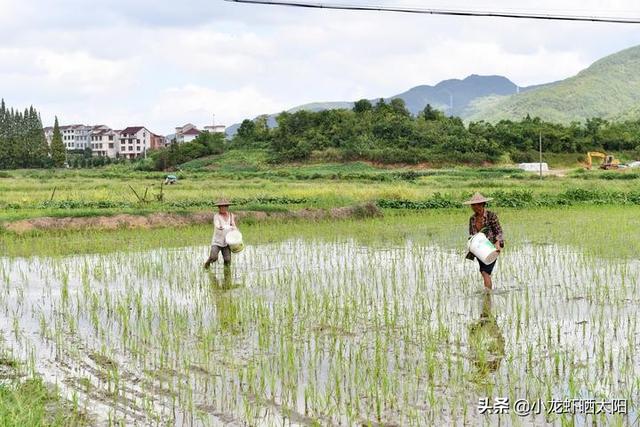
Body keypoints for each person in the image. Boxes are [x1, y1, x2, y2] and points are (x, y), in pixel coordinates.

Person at [464, 192, 504, 290]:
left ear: (482, 204)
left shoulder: (491, 216)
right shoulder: (472, 219)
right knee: (483, 271)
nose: (474, 207)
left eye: (476, 205)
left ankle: (488, 295)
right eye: (472, 205)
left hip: (491, 247)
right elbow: (472, 235)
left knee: (485, 272)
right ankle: (488, 293)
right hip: (479, 249)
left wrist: (498, 243)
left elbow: (498, 231)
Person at [204, 199, 238, 269]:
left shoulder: (231, 215)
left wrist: (236, 231)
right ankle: (207, 264)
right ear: (219, 208)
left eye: (225, 206)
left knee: (227, 260)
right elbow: (217, 224)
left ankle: (227, 275)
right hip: (217, 241)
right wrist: (220, 227)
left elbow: (234, 225)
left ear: (227, 207)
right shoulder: (217, 216)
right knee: (213, 257)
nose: (223, 208)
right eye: (221, 207)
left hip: (227, 241)